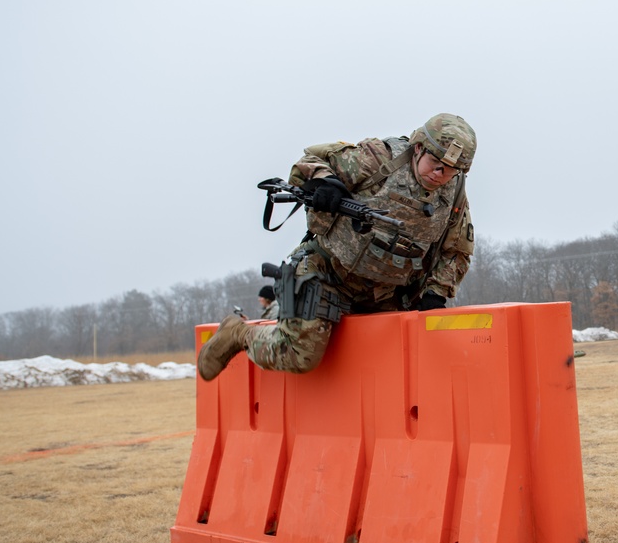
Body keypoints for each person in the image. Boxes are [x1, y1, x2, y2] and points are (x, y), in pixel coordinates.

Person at [197, 113, 477, 381]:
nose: (440, 174)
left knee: (406, 357)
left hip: (387, 291)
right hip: (328, 272)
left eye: (451, 170)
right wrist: (324, 183)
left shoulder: (454, 193)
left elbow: (457, 251)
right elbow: (309, 161)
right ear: (418, 148)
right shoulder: (379, 158)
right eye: (435, 163)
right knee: (298, 356)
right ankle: (237, 334)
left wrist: (435, 294)